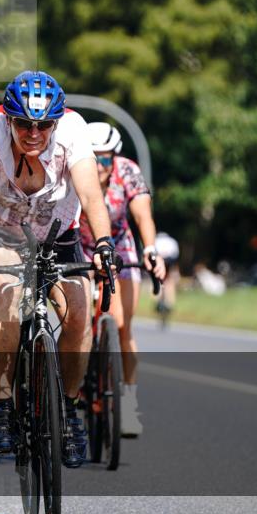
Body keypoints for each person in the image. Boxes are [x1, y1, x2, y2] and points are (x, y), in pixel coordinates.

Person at [0, 70, 117, 469]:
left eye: (44, 125)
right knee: (5, 294)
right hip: (3, 234)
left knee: (79, 312)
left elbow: (90, 195)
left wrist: (102, 244)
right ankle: (4, 402)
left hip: (58, 233)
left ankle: (68, 411)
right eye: (25, 124)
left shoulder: (74, 130)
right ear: (8, 119)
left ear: (56, 122)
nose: (34, 133)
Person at [79, 122, 166, 437]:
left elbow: (143, 215)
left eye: (105, 160)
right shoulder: (73, 170)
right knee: (78, 319)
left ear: (114, 158)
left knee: (121, 325)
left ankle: (128, 402)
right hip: (79, 245)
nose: (99, 167)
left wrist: (151, 250)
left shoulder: (127, 171)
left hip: (119, 246)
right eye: (93, 159)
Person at [154, 231, 181, 315]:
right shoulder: (172, 241)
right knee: (169, 280)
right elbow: (175, 255)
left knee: (157, 278)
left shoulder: (155, 240)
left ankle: (157, 300)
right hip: (170, 259)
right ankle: (170, 302)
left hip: (159, 258)